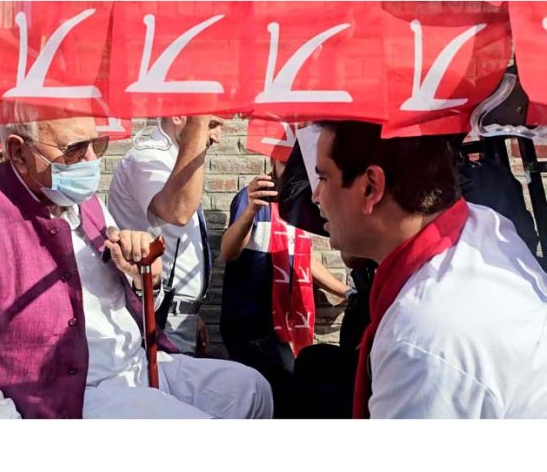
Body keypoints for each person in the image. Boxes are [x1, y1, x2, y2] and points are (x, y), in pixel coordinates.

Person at [0, 110, 272, 419]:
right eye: (74, 150)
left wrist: (137, 275)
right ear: (18, 152)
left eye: (97, 144)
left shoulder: (85, 203)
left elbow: (125, 297)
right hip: (70, 395)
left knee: (252, 391)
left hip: (137, 364)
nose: (91, 161)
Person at [311, 120, 547, 418]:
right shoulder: (482, 224)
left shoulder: (420, 341)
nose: (315, 196)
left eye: (323, 178)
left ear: (371, 186)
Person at [219, 158, 348, 418]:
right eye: (283, 158)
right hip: (251, 325)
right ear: (271, 159)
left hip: (285, 326)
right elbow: (229, 251)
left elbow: (301, 257)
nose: (290, 166)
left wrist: (343, 291)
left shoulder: (299, 203)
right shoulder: (252, 198)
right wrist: (250, 212)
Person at [108, 115, 223, 355]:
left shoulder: (170, 160)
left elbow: (176, 242)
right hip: (157, 316)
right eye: (212, 124)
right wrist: (198, 126)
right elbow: (178, 211)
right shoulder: (148, 158)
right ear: (180, 117)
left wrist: (191, 313)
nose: (217, 137)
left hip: (174, 315)